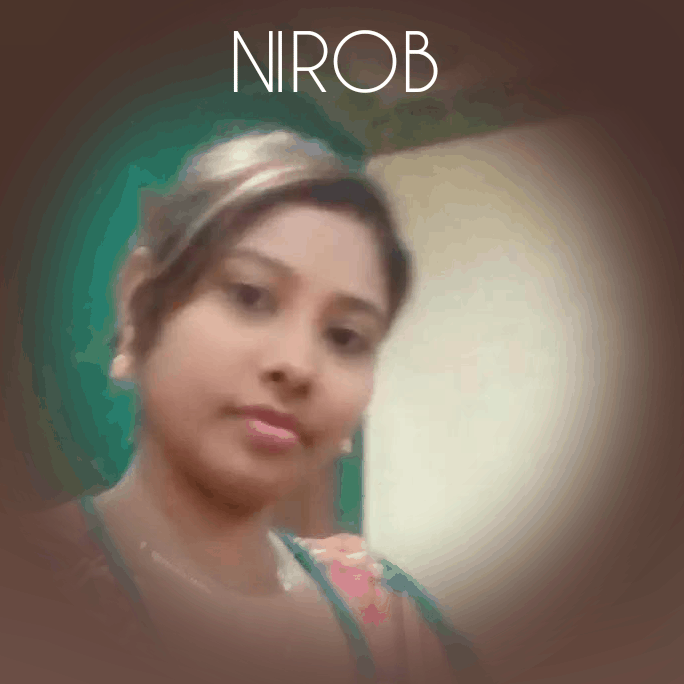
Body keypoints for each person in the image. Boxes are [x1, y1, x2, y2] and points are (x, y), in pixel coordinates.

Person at [19, 129, 491, 684]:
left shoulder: (393, 625)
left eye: (345, 337)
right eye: (249, 295)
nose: (297, 365)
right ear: (139, 303)